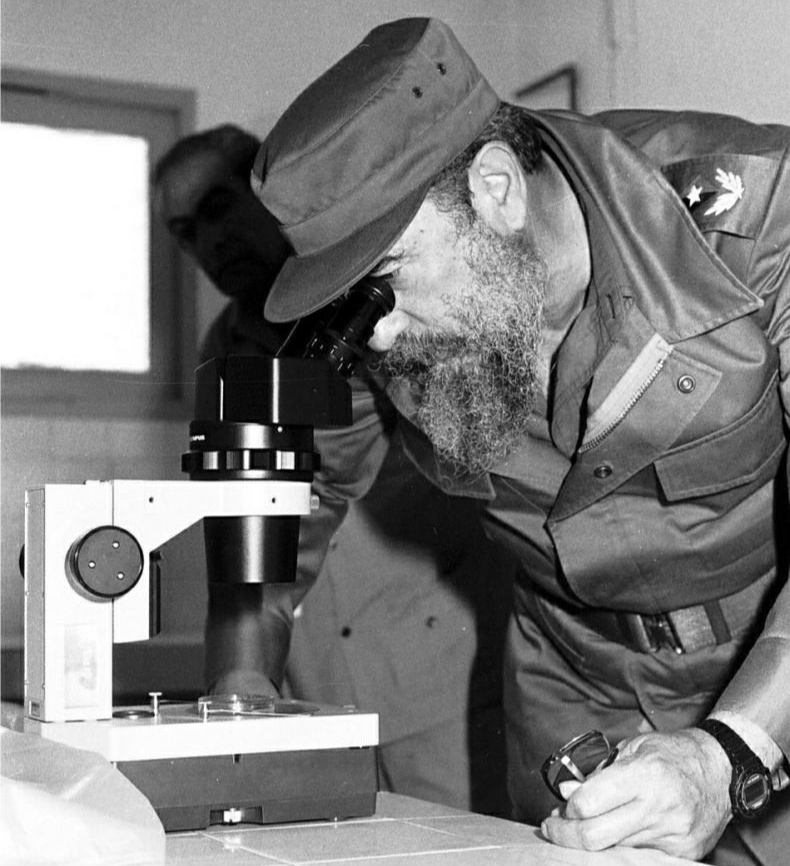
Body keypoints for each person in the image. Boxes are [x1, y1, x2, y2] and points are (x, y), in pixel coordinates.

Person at [249, 17, 790, 864]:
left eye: (385, 280)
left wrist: (731, 749)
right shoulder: (391, 326)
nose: (378, 337)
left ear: (495, 189)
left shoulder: (758, 220)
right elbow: (294, 490)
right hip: (575, 688)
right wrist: (241, 686)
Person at [152, 124, 514, 813]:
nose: (209, 242)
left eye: (219, 208)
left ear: (271, 197)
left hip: (441, 683)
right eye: (185, 232)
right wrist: (238, 683)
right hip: (312, 692)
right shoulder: (222, 353)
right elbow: (241, 536)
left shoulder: (384, 302)